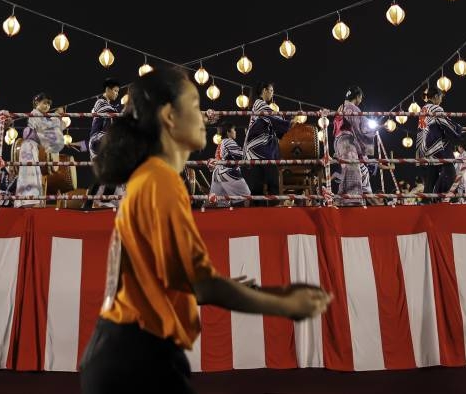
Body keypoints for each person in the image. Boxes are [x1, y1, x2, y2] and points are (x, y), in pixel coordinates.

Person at [78, 69, 331, 393]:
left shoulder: (150, 177)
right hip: (135, 356)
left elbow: (175, 278)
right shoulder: (160, 181)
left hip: (122, 350)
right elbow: (200, 283)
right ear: (169, 117)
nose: (205, 116)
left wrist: (219, 284)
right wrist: (284, 304)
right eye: (195, 105)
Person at [242, 82, 294, 203]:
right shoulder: (259, 104)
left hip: (259, 148)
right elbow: (273, 117)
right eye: (271, 90)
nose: (272, 93)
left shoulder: (259, 104)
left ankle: (260, 209)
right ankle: (271, 209)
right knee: (271, 182)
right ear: (264, 90)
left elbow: (273, 123)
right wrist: (289, 120)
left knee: (259, 183)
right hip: (259, 148)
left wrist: (287, 123)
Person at [12, 92, 66, 207]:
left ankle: (30, 201)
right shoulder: (35, 114)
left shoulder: (41, 116)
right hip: (28, 148)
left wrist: (58, 118)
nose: (47, 106)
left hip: (33, 148)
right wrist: (56, 115)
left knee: (33, 173)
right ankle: (28, 201)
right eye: (45, 103)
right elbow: (46, 127)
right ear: (37, 103)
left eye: (49, 104)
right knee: (29, 173)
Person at [415, 89, 466, 197]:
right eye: (440, 97)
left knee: (430, 180)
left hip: (424, 147)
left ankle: (428, 203)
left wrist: (463, 128)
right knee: (450, 173)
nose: (441, 100)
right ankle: (452, 201)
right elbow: (446, 124)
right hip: (436, 146)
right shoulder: (436, 108)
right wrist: (460, 132)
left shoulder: (424, 108)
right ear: (436, 96)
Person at [332, 86, 377, 205]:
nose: (361, 100)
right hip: (347, 142)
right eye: (361, 97)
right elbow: (360, 130)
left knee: (351, 170)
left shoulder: (343, 107)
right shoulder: (353, 108)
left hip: (341, 141)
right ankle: (352, 202)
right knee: (353, 170)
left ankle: (342, 201)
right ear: (357, 97)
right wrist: (377, 128)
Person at [84, 79, 123, 208]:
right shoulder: (100, 102)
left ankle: (95, 202)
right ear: (107, 89)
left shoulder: (107, 105)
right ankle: (93, 202)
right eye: (115, 90)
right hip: (99, 140)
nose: (117, 94)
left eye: (118, 91)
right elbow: (114, 114)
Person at [208, 122, 248, 206]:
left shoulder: (221, 143)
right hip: (227, 173)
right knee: (245, 197)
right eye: (233, 130)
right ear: (228, 132)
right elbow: (241, 156)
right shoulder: (229, 141)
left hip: (217, 174)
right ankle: (242, 218)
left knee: (219, 204)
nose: (235, 131)